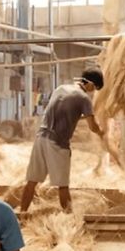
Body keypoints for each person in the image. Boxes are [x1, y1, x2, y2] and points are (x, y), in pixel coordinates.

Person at [18, 69, 106, 213]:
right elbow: (92, 126)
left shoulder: (61, 88)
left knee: (32, 182)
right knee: (63, 185)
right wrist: (102, 133)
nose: (93, 91)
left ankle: (22, 213)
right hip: (57, 143)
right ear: (89, 83)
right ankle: (69, 219)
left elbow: (65, 112)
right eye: (94, 88)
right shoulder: (84, 98)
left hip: (41, 138)